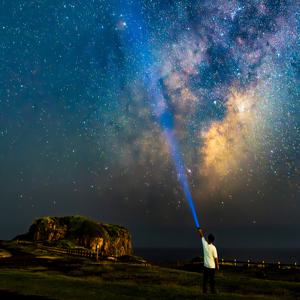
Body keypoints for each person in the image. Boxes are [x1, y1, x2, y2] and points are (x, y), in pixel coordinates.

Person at [197, 228, 219, 294]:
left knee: (205, 280)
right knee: (212, 280)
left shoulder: (205, 244)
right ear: (213, 240)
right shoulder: (214, 248)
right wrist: (217, 265)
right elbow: (216, 258)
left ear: (208, 239)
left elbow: (201, 236)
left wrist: (200, 231)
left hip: (206, 266)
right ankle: (213, 291)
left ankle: (205, 292)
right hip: (212, 267)